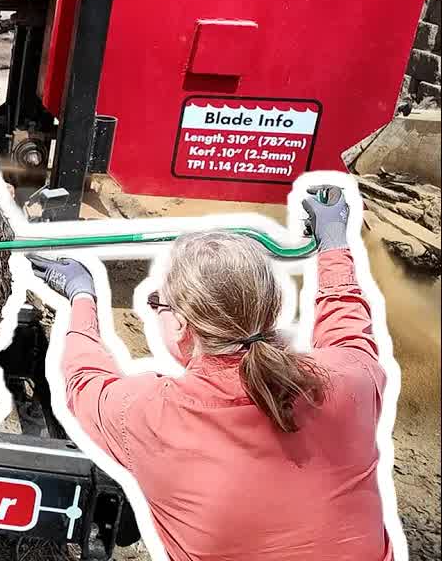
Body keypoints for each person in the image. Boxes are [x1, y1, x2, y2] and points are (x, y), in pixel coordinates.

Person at [31, 186, 392, 561]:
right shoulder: (350, 382)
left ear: (185, 325)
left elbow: (85, 381)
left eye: (159, 304)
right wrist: (334, 244)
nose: (155, 311)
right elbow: (348, 330)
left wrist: (81, 296)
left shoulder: (151, 415)